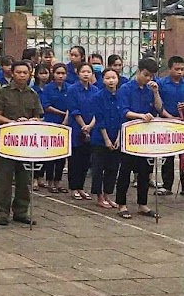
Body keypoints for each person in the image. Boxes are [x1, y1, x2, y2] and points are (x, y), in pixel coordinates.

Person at [0, 61, 42, 226]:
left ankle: (21, 211)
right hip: (8, 141)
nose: (22, 75)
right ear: (12, 74)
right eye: (19, 72)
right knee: (4, 178)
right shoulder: (3, 92)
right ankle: (2, 212)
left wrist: (33, 120)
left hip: (25, 144)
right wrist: (12, 122)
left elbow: (39, 115)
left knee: (24, 178)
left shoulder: (32, 94)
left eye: (25, 73)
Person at [114, 58, 163, 219]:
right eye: (146, 75)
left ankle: (143, 203)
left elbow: (159, 108)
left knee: (144, 172)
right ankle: (122, 204)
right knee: (125, 171)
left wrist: (156, 92)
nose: (148, 78)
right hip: (130, 134)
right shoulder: (126, 89)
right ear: (139, 71)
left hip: (145, 137)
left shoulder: (150, 89)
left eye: (151, 76)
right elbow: (124, 111)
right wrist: (141, 116)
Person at [90, 68, 124, 209]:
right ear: (102, 80)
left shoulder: (121, 96)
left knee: (113, 168)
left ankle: (108, 195)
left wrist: (118, 138)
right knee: (99, 168)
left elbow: (123, 117)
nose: (111, 81)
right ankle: (98, 197)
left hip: (116, 136)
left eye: (113, 78)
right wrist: (106, 139)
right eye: (107, 78)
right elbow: (100, 119)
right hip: (100, 138)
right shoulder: (98, 97)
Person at [66, 63, 100, 200]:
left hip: (91, 128)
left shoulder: (95, 90)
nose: (86, 74)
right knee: (75, 160)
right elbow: (73, 109)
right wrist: (83, 125)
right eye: (83, 71)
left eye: (88, 72)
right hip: (76, 128)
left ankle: (81, 188)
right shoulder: (73, 89)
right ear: (78, 73)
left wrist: (90, 126)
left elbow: (98, 109)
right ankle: (73, 188)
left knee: (86, 160)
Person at [37, 64, 72, 192]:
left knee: (62, 155)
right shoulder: (48, 88)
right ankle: (49, 181)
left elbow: (72, 105)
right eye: (58, 73)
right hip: (51, 123)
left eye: (63, 73)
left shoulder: (69, 88)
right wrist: (61, 113)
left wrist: (66, 119)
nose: (61, 76)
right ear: (53, 74)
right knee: (51, 154)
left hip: (65, 125)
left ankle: (58, 181)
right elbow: (46, 106)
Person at [156, 56, 184, 194]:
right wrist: (169, 116)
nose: (180, 72)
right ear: (170, 69)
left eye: (182, 69)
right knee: (168, 155)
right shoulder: (162, 84)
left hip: (182, 123)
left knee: (183, 156)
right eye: (177, 69)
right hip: (167, 122)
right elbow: (158, 104)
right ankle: (167, 185)